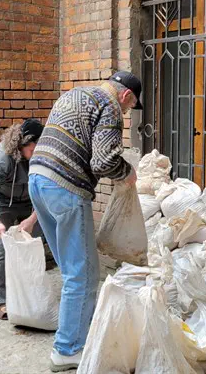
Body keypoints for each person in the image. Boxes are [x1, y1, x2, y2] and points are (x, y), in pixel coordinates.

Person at [28, 71, 141, 371]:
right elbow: (103, 161)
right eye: (131, 108)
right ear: (126, 96)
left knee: (71, 268)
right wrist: (127, 173)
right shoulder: (111, 107)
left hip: (38, 179)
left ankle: (80, 330)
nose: (127, 112)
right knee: (84, 273)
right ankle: (68, 349)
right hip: (65, 188)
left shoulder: (77, 94)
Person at [0, 118, 44, 320]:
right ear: (23, 143)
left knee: (33, 244)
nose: (36, 154)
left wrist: (33, 219)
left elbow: (46, 191)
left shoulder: (41, 155)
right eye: (33, 149)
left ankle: (28, 294)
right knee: (0, 250)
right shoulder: (2, 157)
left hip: (30, 200)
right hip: (1, 202)